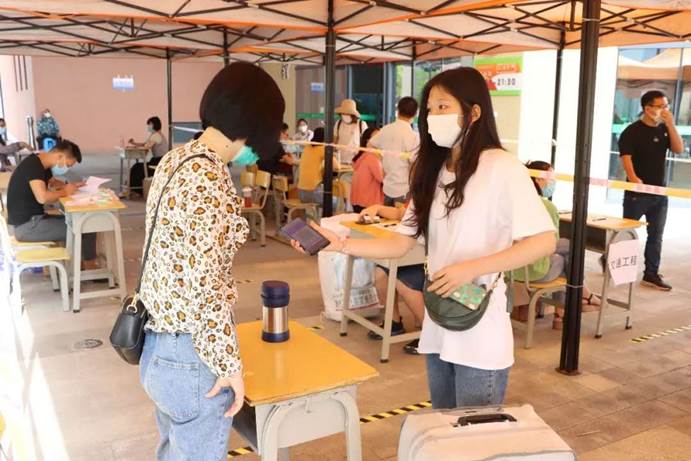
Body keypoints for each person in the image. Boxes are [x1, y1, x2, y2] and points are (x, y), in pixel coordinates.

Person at [292, 67, 555, 409]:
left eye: (443, 107)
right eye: (430, 109)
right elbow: (400, 242)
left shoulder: (502, 167)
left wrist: (470, 268)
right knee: (442, 421)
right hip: (439, 319)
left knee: (472, 431)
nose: (433, 117)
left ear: (474, 112)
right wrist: (339, 242)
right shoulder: (433, 170)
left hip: (480, 326)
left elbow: (543, 241)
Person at [138, 62, 284, 461]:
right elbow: (206, 287)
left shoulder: (177, 159)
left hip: (157, 347)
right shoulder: (210, 179)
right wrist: (229, 365)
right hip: (191, 356)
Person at [516, 161, 600, 330]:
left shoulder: (515, 202)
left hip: (512, 269)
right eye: (551, 177)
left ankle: (564, 312)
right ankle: (577, 299)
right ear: (539, 179)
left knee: (566, 254)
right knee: (568, 255)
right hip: (535, 272)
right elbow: (550, 244)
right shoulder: (547, 206)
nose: (553, 181)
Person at [618, 90, 683, 291]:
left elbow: (678, 149)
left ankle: (651, 273)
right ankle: (612, 261)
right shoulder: (632, 131)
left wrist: (671, 125)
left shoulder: (664, 129)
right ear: (648, 108)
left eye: (666, 106)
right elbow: (626, 157)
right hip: (637, 193)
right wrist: (633, 178)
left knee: (656, 235)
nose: (665, 110)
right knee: (626, 232)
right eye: (661, 106)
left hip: (659, 193)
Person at [7, 140, 98, 266]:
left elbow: (53, 184)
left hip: (33, 220)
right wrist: (66, 191)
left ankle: (77, 266)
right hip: (27, 227)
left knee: (80, 222)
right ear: (60, 156)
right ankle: (89, 267)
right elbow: (43, 197)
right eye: (68, 165)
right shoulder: (33, 166)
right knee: (85, 227)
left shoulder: (41, 164)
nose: (67, 169)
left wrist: (72, 186)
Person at [360, 203, 425, 355]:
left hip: (429, 258)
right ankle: (393, 323)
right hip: (411, 251)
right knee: (381, 274)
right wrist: (378, 208)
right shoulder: (419, 195)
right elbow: (401, 213)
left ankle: (429, 332)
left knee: (403, 282)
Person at [370, 97, 420, 206]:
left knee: (385, 216)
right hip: (404, 188)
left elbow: (370, 145)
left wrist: (382, 159)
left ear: (398, 110)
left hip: (387, 186)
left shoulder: (386, 129)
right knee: (399, 217)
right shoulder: (412, 136)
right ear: (415, 114)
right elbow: (414, 165)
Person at [297, 127, 340, 206]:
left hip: (300, 192)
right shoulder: (323, 148)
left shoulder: (307, 147)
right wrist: (332, 153)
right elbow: (337, 167)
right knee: (337, 202)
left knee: (325, 193)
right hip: (312, 192)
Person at [128, 116, 168, 195]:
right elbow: (145, 144)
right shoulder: (155, 135)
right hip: (157, 160)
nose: (148, 126)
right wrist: (134, 143)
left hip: (159, 161)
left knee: (137, 168)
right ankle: (134, 189)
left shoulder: (156, 135)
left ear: (154, 125)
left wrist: (135, 147)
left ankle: (136, 190)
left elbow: (147, 147)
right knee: (138, 166)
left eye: (150, 124)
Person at [351, 127, 383, 213]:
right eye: (377, 138)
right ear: (368, 141)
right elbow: (382, 179)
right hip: (369, 203)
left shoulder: (361, 156)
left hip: (357, 201)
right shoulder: (371, 157)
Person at [334, 99, 367, 164]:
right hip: (340, 159)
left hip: (356, 160)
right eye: (343, 113)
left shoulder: (361, 124)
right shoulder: (338, 123)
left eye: (348, 114)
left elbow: (366, 142)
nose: (345, 115)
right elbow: (335, 139)